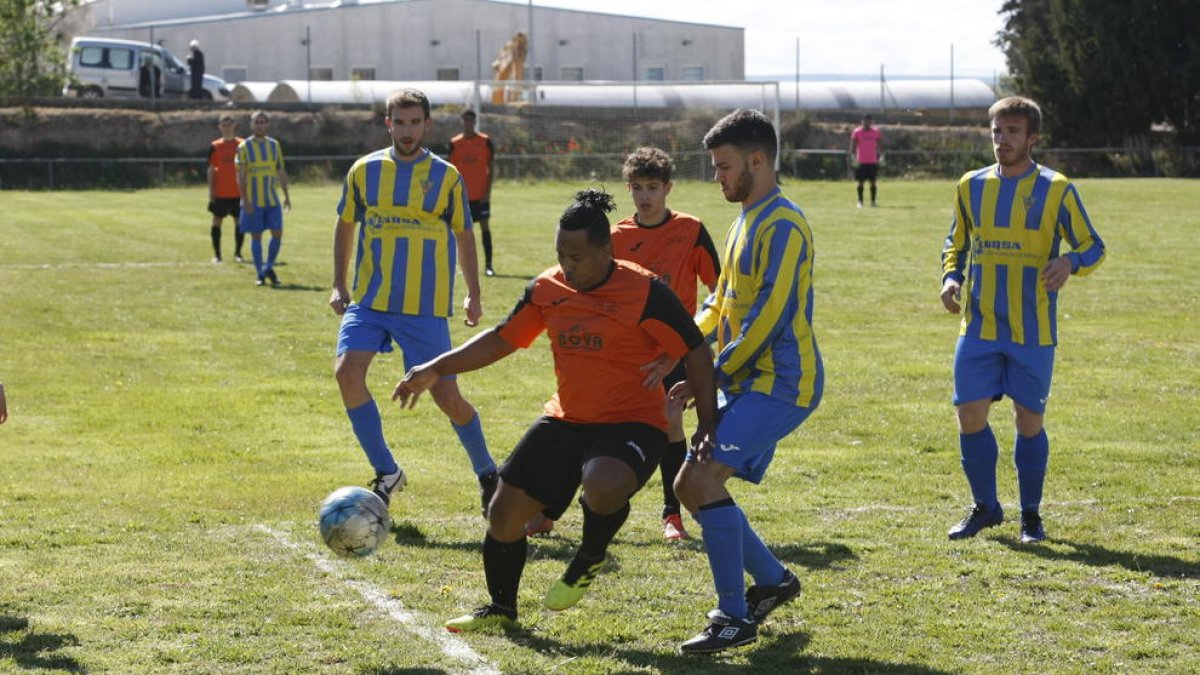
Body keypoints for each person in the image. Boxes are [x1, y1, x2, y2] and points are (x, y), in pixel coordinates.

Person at [391, 188, 718, 633]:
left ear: (607, 250)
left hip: (634, 421)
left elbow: (696, 352)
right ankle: (501, 609)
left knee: (602, 484)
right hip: (567, 417)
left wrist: (707, 426)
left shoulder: (645, 292)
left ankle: (589, 556)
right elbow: (503, 338)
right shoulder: (548, 289)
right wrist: (435, 367)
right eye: (562, 255)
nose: (568, 266)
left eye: (578, 257)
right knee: (503, 516)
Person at [670, 109, 823, 654]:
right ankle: (775, 581)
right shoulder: (743, 221)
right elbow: (720, 303)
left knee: (700, 480)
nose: (717, 177)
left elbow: (771, 316)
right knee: (692, 483)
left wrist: (711, 372)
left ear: (758, 161)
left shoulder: (783, 223)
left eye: (724, 166)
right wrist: (683, 346)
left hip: (784, 383)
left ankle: (733, 617)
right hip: (746, 379)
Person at [940, 96, 1106, 545]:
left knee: (1027, 420)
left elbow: (1094, 246)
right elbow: (955, 244)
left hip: (1033, 331)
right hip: (978, 327)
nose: (1002, 140)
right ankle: (985, 506)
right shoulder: (970, 186)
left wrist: (1070, 263)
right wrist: (951, 278)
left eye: (1012, 132)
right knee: (969, 414)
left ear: (1032, 137)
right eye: (996, 132)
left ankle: (1030, 516)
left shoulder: (1057, 188)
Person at [330, 88, 497, 512]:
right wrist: (338, 284)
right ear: (389, 124)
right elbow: (346, 224)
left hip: (424, 306)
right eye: (399, 122)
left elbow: (463, 233)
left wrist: (473, 294)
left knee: (447, 397)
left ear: (427, 124)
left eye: (414, 122)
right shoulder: (364, 171)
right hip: (370, 300)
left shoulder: (446, 176)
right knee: (347, 373)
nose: (407, 130)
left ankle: (488, 473)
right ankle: (387, 472)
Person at [612, 146, 720, 541]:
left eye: (652, 187)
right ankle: (558, 507)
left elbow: (720, 292)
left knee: (670, 420)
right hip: (629, 354)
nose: (645, 196)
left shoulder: (690, 230)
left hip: (676, 350)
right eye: (637, 187)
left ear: (668, 188)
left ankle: (671, 515)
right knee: (599, 425)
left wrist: (687, 344)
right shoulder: (616, 237)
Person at [236, 110, 291, 287]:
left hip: (272, 200)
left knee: (277, 233)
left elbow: (280, 171)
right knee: (257, 236)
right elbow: (241, 176)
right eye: (256, 122)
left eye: (262, 122)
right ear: (251, 125)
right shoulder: (244, 147)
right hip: (253, 201)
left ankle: (268, 267)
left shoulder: (274, 145)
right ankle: (260, 273)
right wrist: (245, 200)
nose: (259, 125)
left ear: (267, 124)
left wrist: (286, 196)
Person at [448, 110, 497, 276]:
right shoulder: (455, 143)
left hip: (481, 196)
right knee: (461, 233)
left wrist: (487, 192)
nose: (468, 122)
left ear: (475, 122)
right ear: (461, 121)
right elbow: (451, 171)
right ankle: (459, 266)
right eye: (466, 119)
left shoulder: (485, 141)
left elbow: (491, 168)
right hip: (462, 197)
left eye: (471, 120)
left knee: (485, 228)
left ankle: (489, 266)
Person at [207, 114, 245, 263]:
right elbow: (210, 169)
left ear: (234, 125)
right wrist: (211, 190)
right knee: (216, 221)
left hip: (238, 192)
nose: (227, 127)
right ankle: (217, 255)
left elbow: (247, 167)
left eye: (229, 124)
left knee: (239, 222)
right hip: (220, 192)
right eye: (224, 125)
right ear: (219, 127)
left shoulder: (242, 144)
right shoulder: (215, 146)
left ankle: (238, 254)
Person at [849, 113, 883, 207]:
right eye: (865, 120)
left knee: (873, 182)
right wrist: (853, 156)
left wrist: (881, 156)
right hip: (861, 161)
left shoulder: (876, 132)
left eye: (869, 120)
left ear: (871, 121)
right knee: (860, 182)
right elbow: (853, 145)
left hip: (872, 161)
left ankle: (873, 201)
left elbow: (880, 144)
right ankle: (860, 201)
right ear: (862, 121)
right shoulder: (857, 132)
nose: (866, 122)